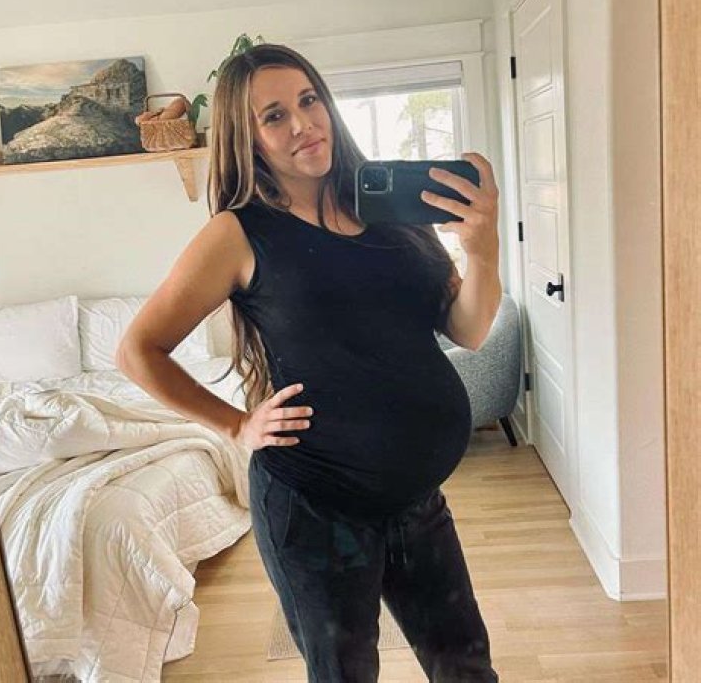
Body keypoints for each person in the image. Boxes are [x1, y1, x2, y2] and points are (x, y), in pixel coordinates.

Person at [117, 43, 501, 683]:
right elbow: (137, 350)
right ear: (248, 138)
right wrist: (236, 425)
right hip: (315, 509)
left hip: (417, 501)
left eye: (309, 100)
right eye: (274, 116)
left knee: (466, 666)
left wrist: (483, 251)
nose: (303, 124)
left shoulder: (392, 212)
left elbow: (470, 329)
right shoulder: (239, 234)